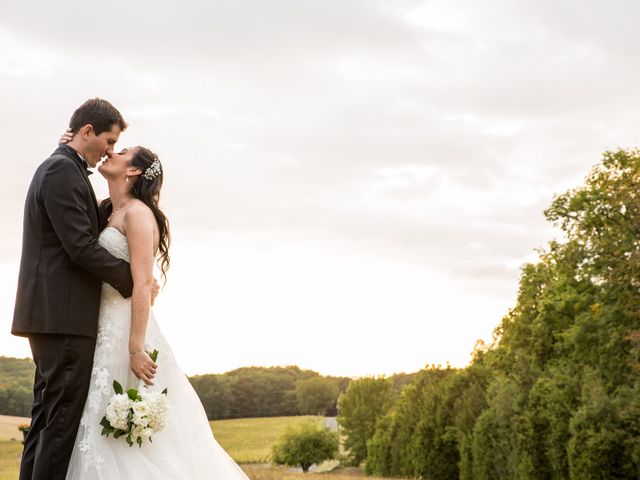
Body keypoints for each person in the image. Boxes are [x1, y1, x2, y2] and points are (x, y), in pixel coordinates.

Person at [61, 142, 250, 479]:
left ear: (133, 171)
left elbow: (143, 283)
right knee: (99, 427)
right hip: (101, 328)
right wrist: (69, 147)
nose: (111, 153)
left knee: (132, 437)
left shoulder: (138, 213)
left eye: (122, 152)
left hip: (127, 331)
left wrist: (135, 348)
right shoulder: (109, 209)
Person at [11, 98, 146, 480]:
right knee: (60, 424)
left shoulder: (65, 169)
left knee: (46, 419)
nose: (109, 150)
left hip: (55, 316)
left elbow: (88, 226)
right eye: (108, 140)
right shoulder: (61, 171)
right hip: (64, 318)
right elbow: (80, 246)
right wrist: (133, 280)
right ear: (87, 131)